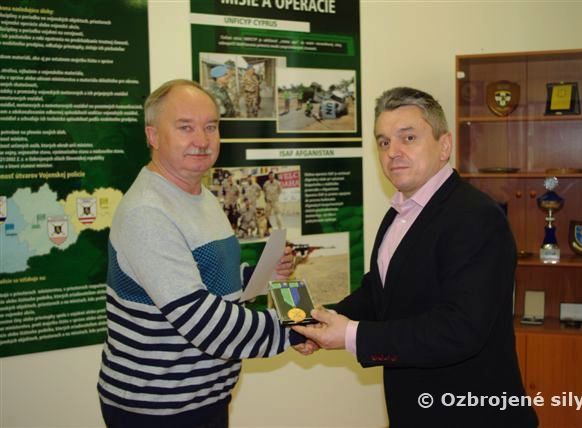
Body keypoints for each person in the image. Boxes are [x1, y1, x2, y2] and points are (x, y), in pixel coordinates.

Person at [294, 87, 538, 427]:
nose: (393, 152)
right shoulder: (400, 212)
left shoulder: (476, 217)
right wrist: (326, 321)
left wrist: (351, 335)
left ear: (444, 145)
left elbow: (460, 329)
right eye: (383, 142)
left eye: (408, 138)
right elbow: (380, 291)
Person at [97, 79, 314, 428]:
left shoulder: (201, 195)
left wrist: (259, 275)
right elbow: (201, 320)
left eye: (210, 127)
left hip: (206, 396)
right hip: (158, 408)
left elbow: (209, 278)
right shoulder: (147, 212)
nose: (202, 140)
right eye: (185, 127)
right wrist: (297, 327)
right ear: (153, 136)